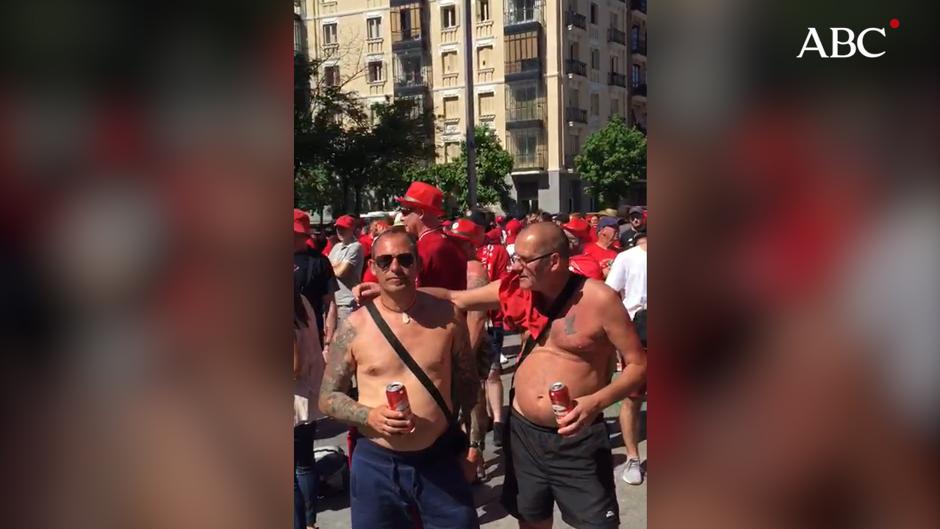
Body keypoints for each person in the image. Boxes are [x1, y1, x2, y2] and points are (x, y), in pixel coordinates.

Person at [355, 222, 646, 529]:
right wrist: (390, 289)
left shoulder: (599, 300)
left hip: (577, 438)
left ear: (554, 261)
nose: (514, 265)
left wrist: (595, 403)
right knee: (531, 518)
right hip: (523, 435)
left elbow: (638, 365)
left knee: (596, 524)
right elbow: (455, 297)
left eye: (523, 259)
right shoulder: (519, 289)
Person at [319, 230, 480, 529]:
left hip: (439, 457)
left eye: (405, 259)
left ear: (418, 265)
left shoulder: (449, 318)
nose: (396, 268)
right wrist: (370, 415)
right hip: (377, 463)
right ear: (373, 267)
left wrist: (474, 447)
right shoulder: (354, 327)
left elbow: (469, 387)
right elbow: (328, 398)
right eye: (385, 260)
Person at [446, 218, 492, 480]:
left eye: (456, 241)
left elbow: (477, 318)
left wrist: (467, 357)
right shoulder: (455, 264)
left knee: (472, 402)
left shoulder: (473, 268)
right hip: (451, 345)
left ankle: (476, 457)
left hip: (469, 345)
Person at [604, 232, 648, 485]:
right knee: (633, 397)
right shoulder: (627, 258)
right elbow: (610, 294)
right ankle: (632, 457)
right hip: (638, 335)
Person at [470, 212, 512, 445]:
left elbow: (504, 283)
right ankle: (483, 418)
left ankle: (498, 421)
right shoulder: (461, 251)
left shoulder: (497, 251)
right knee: (475, 378)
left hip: (491, 321)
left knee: (493, 373)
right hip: (466, 321)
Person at [397, 181, 468, 290]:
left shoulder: (426, 248)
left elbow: (414, 294)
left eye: (405, 211)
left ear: (420, 213)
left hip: (434, 306)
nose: (402, 217)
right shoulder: (450, 239)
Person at [295, 291, 326, 529]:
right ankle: (309, 522)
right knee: (305, 463)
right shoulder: (302, 301)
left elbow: (294, 366)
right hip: (308, 397)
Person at [294, 209, 338, 348]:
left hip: (309, 336)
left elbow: (330, 302)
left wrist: (329, 339)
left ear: (305, 235)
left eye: (297, 234)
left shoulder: (319, 262)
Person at [328, 215, 364, 326]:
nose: (340, 231)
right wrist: (336, 266)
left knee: (345, 341)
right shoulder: (336, 246)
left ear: (352, 229)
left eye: (343, 228)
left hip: (347, 303)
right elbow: (326, 269)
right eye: (338, 228)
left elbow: (341, 272)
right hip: (333, 302)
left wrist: (333, 267)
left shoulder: (356, 247)